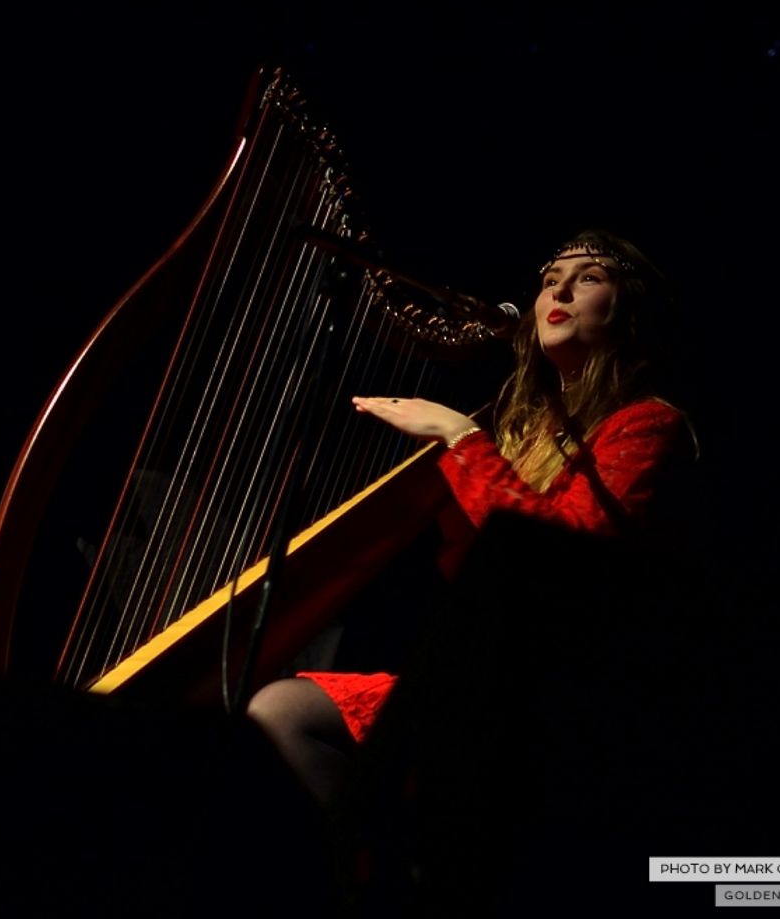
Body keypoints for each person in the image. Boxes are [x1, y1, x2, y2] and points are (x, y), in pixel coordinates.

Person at [246, 228, 696, 811]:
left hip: (566, 688)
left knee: (285, 715)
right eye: (549, 280)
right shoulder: (526, 430)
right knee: (278, 711)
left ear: (628, 309)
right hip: (485, 673)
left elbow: (563, 551)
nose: (559, 288)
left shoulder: (647, 424)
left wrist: (459, 437)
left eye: (588, 278)